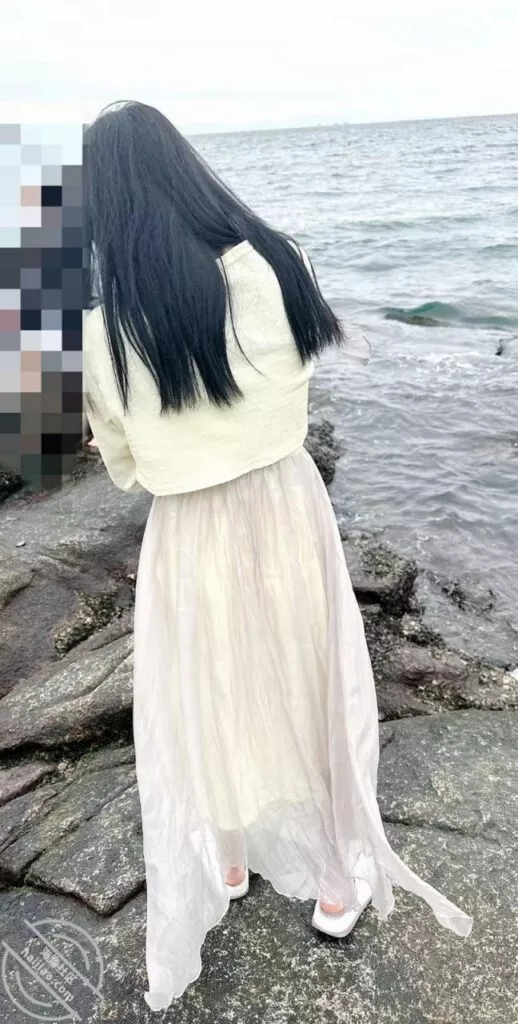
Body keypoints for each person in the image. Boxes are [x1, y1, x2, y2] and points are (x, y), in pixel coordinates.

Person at [82, 101, 473, 1013]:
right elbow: (300, 373)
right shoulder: (280, 259)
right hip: (287, 505)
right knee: (306, 685)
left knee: (208, 691)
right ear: (187, 170)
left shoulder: (104, 327)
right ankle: (335, 879)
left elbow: (127, 467)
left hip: (189, 526)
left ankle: (226, 856)